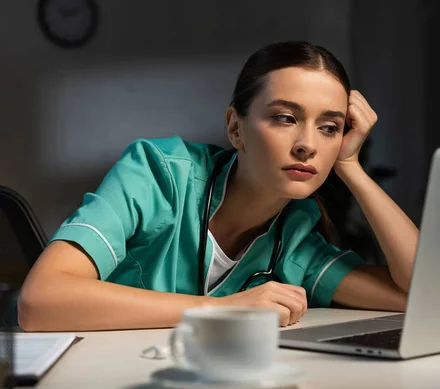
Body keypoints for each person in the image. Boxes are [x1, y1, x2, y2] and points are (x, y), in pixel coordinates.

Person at [17, 41, 419, 331]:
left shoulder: (295, 237)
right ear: (235, 128)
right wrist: (224, 308)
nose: (308, 145)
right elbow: (39, 302)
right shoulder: (158, 173)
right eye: (284, 117)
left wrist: (350, 166)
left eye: (329, 128)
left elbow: (419, 295)